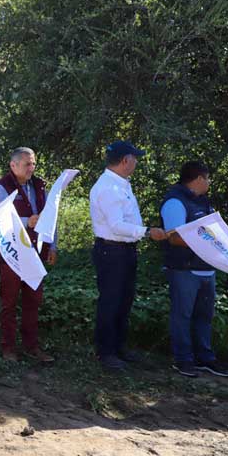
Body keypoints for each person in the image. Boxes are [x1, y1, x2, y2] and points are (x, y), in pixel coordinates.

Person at [89, 140, 167, 370]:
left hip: (124, 250)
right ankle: (106, 352)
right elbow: (116, 225)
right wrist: (146, 232)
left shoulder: (121, 184)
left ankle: (119, 346)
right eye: (135, 158)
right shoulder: (108, 188)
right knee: (111, 301)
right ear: (125, 160)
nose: (136, 163)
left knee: (124, 300)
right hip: (111, 250)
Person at [160, 161, 228, 378]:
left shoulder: (203, 202)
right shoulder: (175, 202)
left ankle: (205, 358)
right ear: (199, 179)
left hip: (207, 269)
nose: (209, 183)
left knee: (204, 317)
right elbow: (175, 237)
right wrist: (206, 244)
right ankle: (183, 360)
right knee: (182, 316)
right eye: (208, 178)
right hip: (184, 269)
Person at [0, 147, 56, 363]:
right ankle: (8, 348)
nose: (32, 168)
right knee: (9, 301)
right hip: (11, 254)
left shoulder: (39, 185)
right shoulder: (1, 188)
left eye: (34, 163)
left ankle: (31, 346)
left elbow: (49, 216)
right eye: (27, 164)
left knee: (33, 300)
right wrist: (28, 222)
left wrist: (53, 245)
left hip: (36, 252)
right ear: (13, 165)